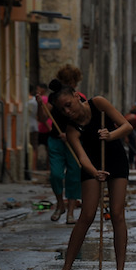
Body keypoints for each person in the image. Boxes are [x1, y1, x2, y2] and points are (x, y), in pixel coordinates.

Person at [47, 80, 133, 270]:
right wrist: (95, 173)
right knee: (86, 214)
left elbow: (127, 126)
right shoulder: (72, 129)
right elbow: (82, 158)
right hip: (92, 166)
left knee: (117, 213)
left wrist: (110, 135)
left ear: (77, 96)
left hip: (116, 158)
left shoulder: (99, 104)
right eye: (62, 109)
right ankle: (66, 269)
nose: (67, 111)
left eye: (69, 104)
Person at [44, 64, 84, 223]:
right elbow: (43, 117)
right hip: (56, 139)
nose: (68, 84)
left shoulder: (79, 97)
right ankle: (60, 204)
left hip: (73, 140)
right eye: (65, 81)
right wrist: (42, 104)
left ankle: (71, 212)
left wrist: (72, 134)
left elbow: (84, 119)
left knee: (74, 175)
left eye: (71, 81)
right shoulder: (53, 99)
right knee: (55, 174)